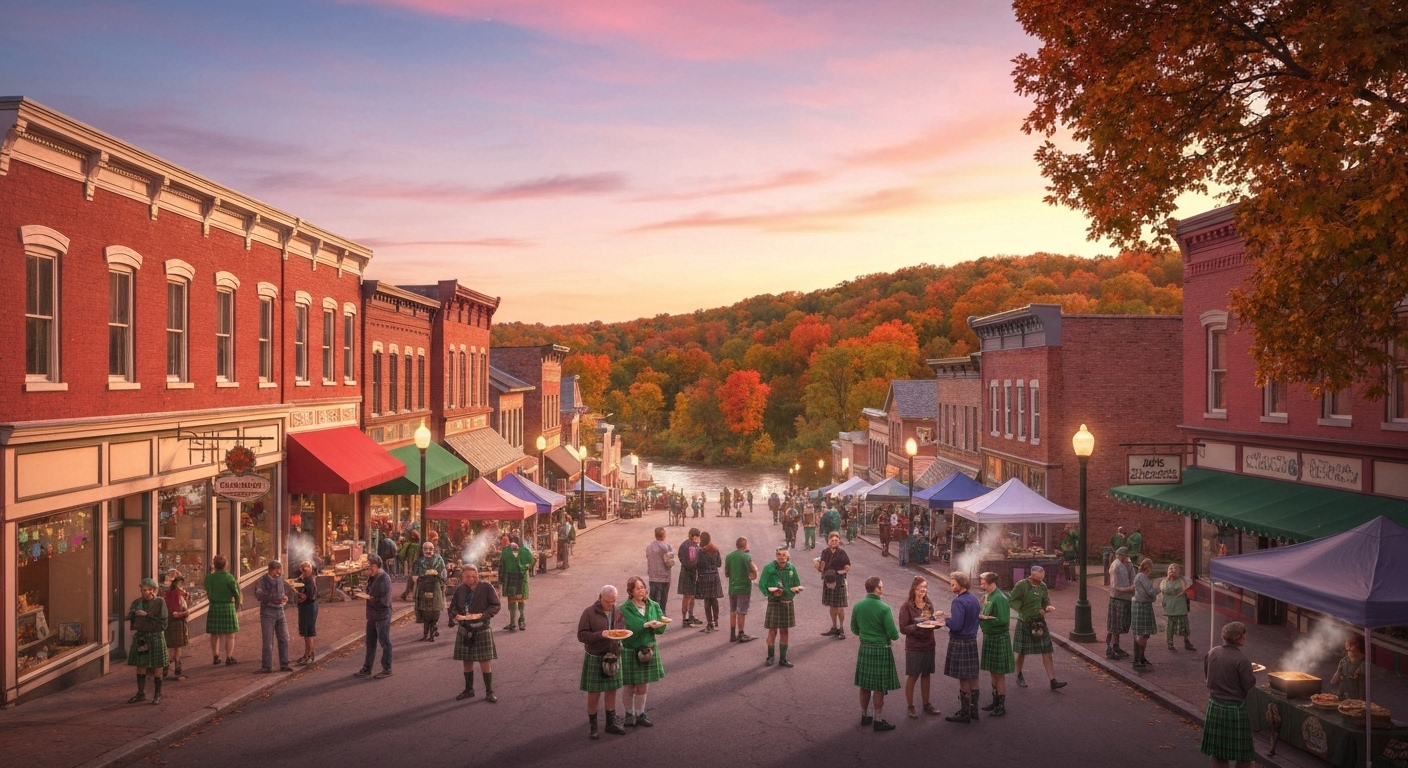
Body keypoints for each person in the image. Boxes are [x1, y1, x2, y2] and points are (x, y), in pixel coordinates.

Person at [1200, 622, 1256, 768]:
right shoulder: (1242, 660)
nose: (1246, 637)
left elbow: (1207, 676)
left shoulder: (1212, 652)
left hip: (1215, 705)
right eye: (1244, 634)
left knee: (1218, 753)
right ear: (1240, 637)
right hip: (1235, 708)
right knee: (1244, 755)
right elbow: (1249, 684)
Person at [851, 576, 901, 732]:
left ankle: (865, 716)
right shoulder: (884, 608)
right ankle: (878, 721)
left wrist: (866, 634)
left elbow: (854, 629)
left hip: (865, 648)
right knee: (878, 687)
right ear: (877, 589)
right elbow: (893, 634)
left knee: (864, 685)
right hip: (881, 650)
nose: (882, 588)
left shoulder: (858, 606)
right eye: (881, 586)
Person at [578, 585, 628, 739]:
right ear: (600, 597)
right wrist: (601, 634)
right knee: (594, 693)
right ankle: (593, 726)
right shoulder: (589, 612)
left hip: (613, 653)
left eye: (614, 601)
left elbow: (622, 628)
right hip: (595, 655)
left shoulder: (617, 611)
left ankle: (610, 722)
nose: (611, 605)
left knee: (612, 689)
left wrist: (619, 637)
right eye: (608, 602)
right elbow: (582, 636)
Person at [620, 575, 667, 727]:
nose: (642, 591)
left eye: (643, 587)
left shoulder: (653, 605)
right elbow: (621, 630)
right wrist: (643, 626)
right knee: (629, 685)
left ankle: (640, 713)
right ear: (630, 591)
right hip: (630, 649)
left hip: (648, 648)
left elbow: (661, 628)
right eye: (638, 588)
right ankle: (628, 714)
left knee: (643, 684)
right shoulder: (623, 609)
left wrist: (658, 625)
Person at [1009, 565, 1066, 690]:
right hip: (1025, 621)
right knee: (1021, 651)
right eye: (1037, 580)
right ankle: (1019, 675)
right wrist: (1023, 611)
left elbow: (1045, 602)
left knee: (1047, 650)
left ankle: (1053, 680)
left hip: (1039, 622)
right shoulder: (1021, 585)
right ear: (1031, 576)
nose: (1039, 582)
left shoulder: (1043, 586)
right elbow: (1012, 600)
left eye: (1041, 579)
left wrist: (1047, 608)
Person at [450, 564, 501, 702]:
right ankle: (469, 690)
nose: (471, 579)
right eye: (467, 576)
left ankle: (489, 692)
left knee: (485, 660)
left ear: (477, 576)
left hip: (482, 628)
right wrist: (455, 615)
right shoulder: (459, 590)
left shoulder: (486, 587)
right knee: (467, 660)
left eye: (474, 576)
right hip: (465, 628)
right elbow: (453, 607)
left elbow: (496, 605)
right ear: (462, 577)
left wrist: (483, 615)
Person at [898, 575, 941, 718]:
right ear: (914, 589)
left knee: (927, 674)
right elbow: (903, 629)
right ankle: (910, 706)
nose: (922, 590)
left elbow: (931, 622)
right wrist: (917, 626)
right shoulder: (907, 607)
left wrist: (936, 623)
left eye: (924, 587)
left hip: (929, 644)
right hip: (914, 646)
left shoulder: (928, 605)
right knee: (913, 676)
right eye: (919, 588)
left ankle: (926, 704)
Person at [943, 571, 982, 723]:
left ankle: (965, 713)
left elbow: (956, 625)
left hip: (960, 642)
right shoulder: (974, 598)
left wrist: (944, 621)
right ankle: (974, 710)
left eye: (953, 581)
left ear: (961, 583)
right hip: (971, 641)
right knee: (973, 676)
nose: (950, 583)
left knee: (964, 678)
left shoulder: (958, 602)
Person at [126, 577, 169, 704]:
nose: (145, 592)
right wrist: (134, 613)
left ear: (154, 590)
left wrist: (147, 615)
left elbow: (164, 622)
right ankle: (140, 693)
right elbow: (130, 617)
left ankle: (157, 694)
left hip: (156, 636)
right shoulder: (136, 602)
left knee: (158, 665)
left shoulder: (160, 602)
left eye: (148, 590)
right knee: (141, 665)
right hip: (142, 637)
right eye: (143, 590)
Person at [758, 546, 802, 668]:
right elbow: (762, 584)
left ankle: (783, 659)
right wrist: (769, 594)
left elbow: (796, 584)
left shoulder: (791, 568)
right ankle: (770, 657)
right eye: (778, 554)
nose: (781, 556)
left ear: (787, 555)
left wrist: (794, 591)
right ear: (776, 555)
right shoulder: (769, 568)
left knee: (784, 631)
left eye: (783, 554)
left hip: (787, 602)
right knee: (772, 631)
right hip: (774, 602)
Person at [977, 572, 1014, 716]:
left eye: (983, 581)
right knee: (993, 671)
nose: (981, 583)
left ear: (991, 582)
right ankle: (995, 700)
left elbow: (1004, 620)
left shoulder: (1000, 598)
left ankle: (1001, 705)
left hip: (999, 637)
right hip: (990, 636)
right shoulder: (988, 596)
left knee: (999, 674)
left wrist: (984, 619)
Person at [353, 554, 393, 679]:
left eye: (369, 566)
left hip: (381, 615)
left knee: (384, 642)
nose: (367, 570)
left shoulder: (383, 578)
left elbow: (383, 601)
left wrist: (369, 598)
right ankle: (367, 668)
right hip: (372, 615)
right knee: (370, 643)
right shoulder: (373, 577)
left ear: (375, 565)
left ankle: (387, 669)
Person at [254, 560, 293, 673]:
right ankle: (266, 666)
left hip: (280, 611)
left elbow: (283, 593)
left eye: (280, 570)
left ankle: (284, 663)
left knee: (284, 638)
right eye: (277, 570)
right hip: (267, 613)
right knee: (268, 641)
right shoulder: (261, 581)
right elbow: (259, 595)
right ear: (270, 570)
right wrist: (272, 596)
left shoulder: (280, 580)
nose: (279, 572)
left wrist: (284, 597)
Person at [204, 554, 240, 665]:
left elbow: (208, 591)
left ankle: (215, 656)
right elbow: (236, 593)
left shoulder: (209, 578)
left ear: (214, 565)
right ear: (226, 565)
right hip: (227, 606)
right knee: (230, 634)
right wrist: (237, 605)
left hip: (214, 606)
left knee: (214, 634)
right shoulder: (229, 577)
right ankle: (229, 657)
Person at [817, 531, 852, 639]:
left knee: (840, 607)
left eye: (836, 540)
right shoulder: (825, 552)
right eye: (832, 540)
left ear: (839, 541)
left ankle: (841, 628)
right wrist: (818, 567)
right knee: (832, 606)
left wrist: (837, 573)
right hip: (828, 581)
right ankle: (834, 627)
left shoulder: (842, 553)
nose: (834, 542)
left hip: (839, 581)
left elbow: (847, 568)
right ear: (828, 542)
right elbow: (821, 567)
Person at [724, 536, 757, 643]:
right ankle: (741, 633)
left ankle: (732, 634)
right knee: (741, 611)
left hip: (732, 587)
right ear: (745, 545)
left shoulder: (729, 557)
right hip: (743, 587)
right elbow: (753, 569)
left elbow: (727, 573)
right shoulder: (746, 556)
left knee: (733, 610)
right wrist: (753, 575)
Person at [413, 542, 447, 641]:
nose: (428, 551)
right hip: (423, 588)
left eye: (430, 549)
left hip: (435, 588)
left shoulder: (439, 559)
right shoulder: (419, 561)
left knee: (434, 612)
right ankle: (425, 634)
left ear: (434, 549)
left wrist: (438, 577)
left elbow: (443, 574)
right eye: (426, 549)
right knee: (424, 612)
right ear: (422, 550)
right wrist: (423, 575)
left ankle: (432, 634)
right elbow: (414, 575)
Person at [500, 536, 534, 632]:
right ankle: (520, 622)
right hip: (520, 578)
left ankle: (514, 623)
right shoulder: (524, 551)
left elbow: (502, 565)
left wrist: (500, 579)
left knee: (513, 601)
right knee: (519, 600)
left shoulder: (506, 551)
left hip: (512, 578)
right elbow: (532, 561)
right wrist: (525, 568)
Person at [1107, 547, 1135, 660]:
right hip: (1118, 598)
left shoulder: (1127, 564)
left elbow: (1132, 576)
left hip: (1125, 598)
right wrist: (1129, 589)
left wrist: (1130, 567)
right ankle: (1111, 647)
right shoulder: (1116, 566)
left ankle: (1115, 646)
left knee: (1119, 625)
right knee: (1115, 625)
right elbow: (1115, 587)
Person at [693, 531, 724, 633]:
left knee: (707, 601)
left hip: (704, 577)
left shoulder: (700, 551)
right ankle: (717, 623)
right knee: (714, 600)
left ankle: (709, 623)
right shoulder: (715, 549)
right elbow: (719, 564)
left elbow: (696, 565)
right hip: (714, 576)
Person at [1131, 558, 1159, 670]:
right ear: (1148, 567)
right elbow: (1150, 591)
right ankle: (1137, 659)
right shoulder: (1141, 576)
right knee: (1141, 634)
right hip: (1141, 605)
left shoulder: (1143, 577)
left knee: (1145, 634)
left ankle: (1141, 657)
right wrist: (1160, 589)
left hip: (1145, 605)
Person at [1161, 563, 1196, 652]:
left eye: (1175, 569)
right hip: (1170, 606)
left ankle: (1187, 643)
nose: (1172, 570)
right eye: (1170, 568)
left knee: (1183, 626)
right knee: (1170, 626)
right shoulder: (1164, 581)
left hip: (1180, 606)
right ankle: (1170, 643)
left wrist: (1177, 591)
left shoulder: (1181, 580)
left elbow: (1184, 588)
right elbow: (1164, 589)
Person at [162, 572, 190, 680]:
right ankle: (177, 670)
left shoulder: (164, 596)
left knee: (169, 648)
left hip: (167, 623)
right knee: (177, 648)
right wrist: (180, 614)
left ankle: (166, 670)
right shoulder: (179, 597)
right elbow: (186, 612)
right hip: (178, 624)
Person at [294, 560, 319, 665]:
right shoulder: (301, 579)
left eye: (307, 567)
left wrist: (302, 597)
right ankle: (306, 653)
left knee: (309, 631)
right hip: (303, 607)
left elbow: (310, 595)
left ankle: (309, 654)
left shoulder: (310, 581)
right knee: (305, 631)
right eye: (303, 568)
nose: (305, 569)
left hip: (309, 606)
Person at [645, 527, 674, 611]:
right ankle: (662, 618)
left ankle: (652, 618)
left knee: (653, 601)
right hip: (664, 578)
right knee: (662, 602)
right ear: (664, 536)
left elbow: (648, 558)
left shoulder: (649, 547)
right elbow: (669, 563)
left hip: (653, 577)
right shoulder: (667, 546)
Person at [677, 528, 702, 627]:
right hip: (687, 573)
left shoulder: (695, 545)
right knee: (687, 596)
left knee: (692, 596)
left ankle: (691, 616)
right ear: (692, 536)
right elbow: (684, 561)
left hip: (693, 573)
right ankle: (684, 619)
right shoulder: (685, 546)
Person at [1331, 635, 1366, 700]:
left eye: (1353, 647)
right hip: (1342, 694)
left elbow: (1362, 684)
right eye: (1348, 649)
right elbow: (1336, 677)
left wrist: (1362, 700)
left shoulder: (1364, 663)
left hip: (1356, 696)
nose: (1349, 651)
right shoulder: (1343, 661)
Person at [398, 532, 421, 600]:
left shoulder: (409, 546)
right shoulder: (420, 546)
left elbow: (401, 555)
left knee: (412, 579)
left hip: (412, 565)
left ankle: (408, 593)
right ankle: (411, 593)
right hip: (420, 565)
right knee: (416, 580)